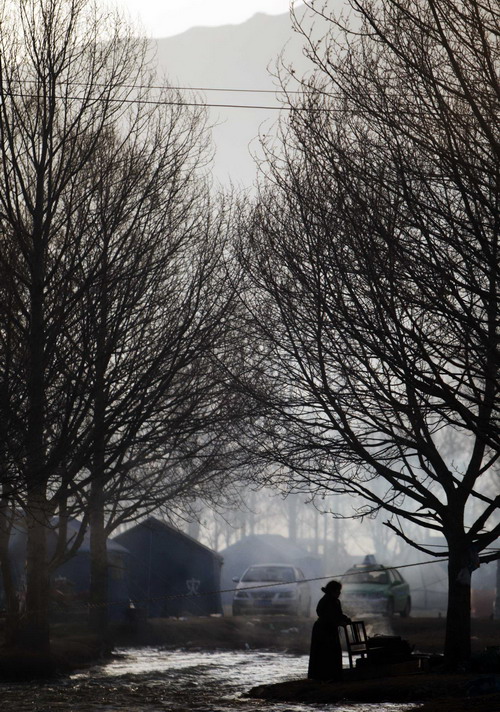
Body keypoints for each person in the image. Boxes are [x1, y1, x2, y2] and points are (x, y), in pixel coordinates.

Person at [308, 579, 351, 681]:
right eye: (338, 591)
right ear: (333, 591)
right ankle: (322, 677)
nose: (339, 593)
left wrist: (345, 619)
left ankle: (333, 676)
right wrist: (338, 622)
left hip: (330, 630)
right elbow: (326, 616)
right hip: (323, 631)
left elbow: (338, 614)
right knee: (324, 653)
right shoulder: (325, 601)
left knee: (334, 652)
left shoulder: (336, 601)